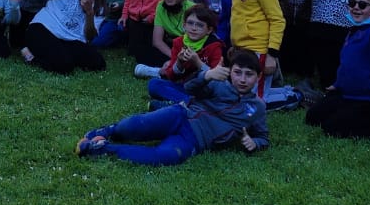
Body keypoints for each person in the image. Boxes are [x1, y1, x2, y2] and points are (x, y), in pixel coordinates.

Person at [78, 45, 268, 164]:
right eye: (238, 72)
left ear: (258, 76)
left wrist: (255, 143)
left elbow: (263, 137)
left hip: (195, 139)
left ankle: (101, 150)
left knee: (165, 156)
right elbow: (190, 88)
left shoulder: (258, 107)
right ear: (230, 71)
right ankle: (109, 131)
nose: (242, 79)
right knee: (133, 127)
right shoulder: (219, 83)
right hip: (180, 115)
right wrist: (206, 75)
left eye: (249, 74)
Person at [304, 0, 370, 139]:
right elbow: (349, 66)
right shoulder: (352, 32)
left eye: (362, 5)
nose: (356, 8)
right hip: (348, 95)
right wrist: (338, 85)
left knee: (332, 129)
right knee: (312, 117)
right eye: (352, 3)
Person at [19, 0, 107, 73]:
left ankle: (57, 55)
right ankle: (30, 57)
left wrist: (89, 13)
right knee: (64, 66)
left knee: (98, 63)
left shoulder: (100, 3)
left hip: (70, 39)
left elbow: (90, 37)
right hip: (44, 29)